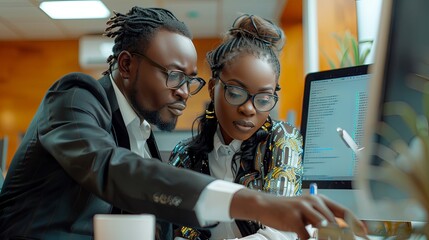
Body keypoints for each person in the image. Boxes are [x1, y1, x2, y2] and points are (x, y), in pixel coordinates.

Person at [0, 6, 366, 240]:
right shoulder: (77, 96)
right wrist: (256, 204)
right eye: (175, 76)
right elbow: (113, 170)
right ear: (126, 65)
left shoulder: (142, 136)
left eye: (190, 81)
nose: (184, 93)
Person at [168, 14, 303, 240]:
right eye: (235, 93)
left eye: (263, 99)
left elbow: (280, 232)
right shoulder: (186, 154)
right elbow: (173, 230)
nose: (248, 109)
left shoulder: (282, 139)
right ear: (213, 88)